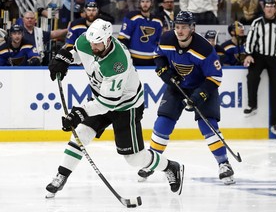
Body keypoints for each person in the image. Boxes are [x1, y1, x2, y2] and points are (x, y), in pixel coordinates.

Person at [45, 18, 184, 198]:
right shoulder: (86, 41)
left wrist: (81, 112)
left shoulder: (118, 62)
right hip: (100, 98)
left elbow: (108, 103)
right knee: (80, 134)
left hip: (126, 106)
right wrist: (65, 58)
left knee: (134, 159)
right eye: (91, 43)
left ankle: (170, 166)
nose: (93, 47)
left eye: (97, 44)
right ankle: (61, 176)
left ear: (108, 40)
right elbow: (79, 53)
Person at [137, 11, 235, 185]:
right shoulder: (167, 39)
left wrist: (199, 95)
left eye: (184, 27)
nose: (179, 31)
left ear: (192, 28)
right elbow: (158, 55)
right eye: (177, 27)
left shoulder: (204, 48)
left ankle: (224, 164)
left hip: (203, 86)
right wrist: (163, 71)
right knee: (163, 121)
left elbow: (215, 77)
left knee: (207, 124)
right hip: (177, 87)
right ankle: (152, 162)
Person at [243, 0, 276, 135]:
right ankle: (252, 104)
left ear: (275, 8)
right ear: (264, 8)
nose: (269, 9)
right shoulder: (257, 23)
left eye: (272, 6)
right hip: (260, 56)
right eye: (267, 6)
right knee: (252, 76)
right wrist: (249, 54)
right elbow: (250, 39)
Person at [118, 0, 163, 66]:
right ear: (139, 3)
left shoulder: (158, 21)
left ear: (151, 3)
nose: (145, 4)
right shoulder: (131, 17)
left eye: (147, 1)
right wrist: (126, 57)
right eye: (143, 1)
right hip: (134, 58)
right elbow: (123, 39)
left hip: (152, 59)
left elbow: (159, 42)